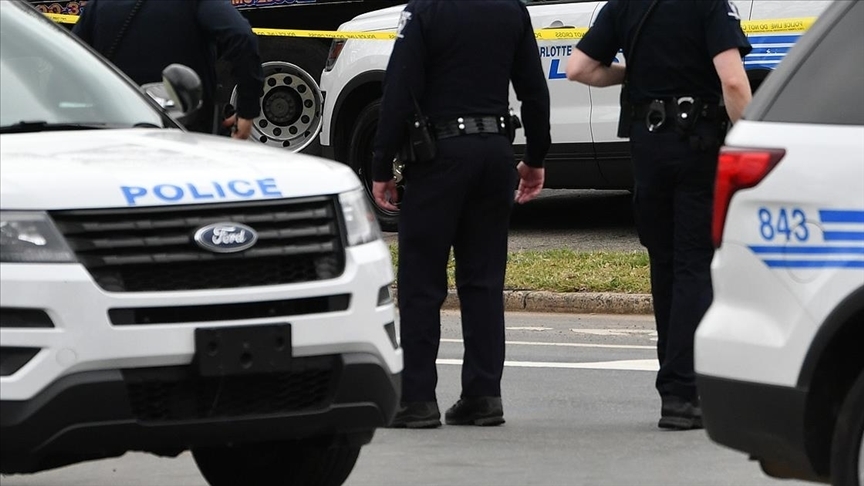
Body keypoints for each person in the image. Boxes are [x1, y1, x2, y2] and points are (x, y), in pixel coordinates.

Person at [566, 0, 752, 430]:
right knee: (693, 266)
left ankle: (673, 389)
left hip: (646, 150)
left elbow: (579, 68)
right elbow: (734, 83)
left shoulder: (625, 5)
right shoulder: (709, 5)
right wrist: (753, 137)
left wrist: (629, 73)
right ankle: (682, 392)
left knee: (664, 264)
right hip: (696, 149)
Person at [371, 0, 550, 428]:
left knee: (421, 280)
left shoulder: (425, 11)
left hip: (439, 156)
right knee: (484, 280)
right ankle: (484, 394)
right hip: (494, 154)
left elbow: (400, 86)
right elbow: (532, 87)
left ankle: (417, 399)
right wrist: (536, 156)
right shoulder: (511, 10)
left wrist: (380, 164)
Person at [72, 0, 264, 139]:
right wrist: (247, 111)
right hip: (184, 135)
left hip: (114, 132)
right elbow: (242, 38)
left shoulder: (97, 6)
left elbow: (69, 61)